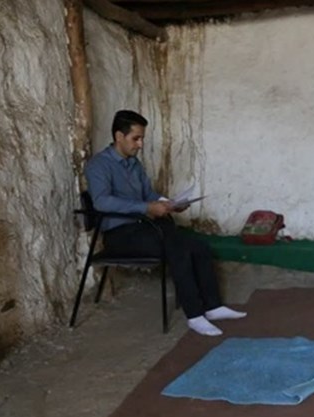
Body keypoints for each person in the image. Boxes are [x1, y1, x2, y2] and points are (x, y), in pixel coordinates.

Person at [85, 110, 246, 337]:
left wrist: (168, 203)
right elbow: (101, 201)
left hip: (143, 227)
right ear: (119, 136)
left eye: (142, 138)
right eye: (136, 138)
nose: (140, 144)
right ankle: (195, 316)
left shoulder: (133, 163)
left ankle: (213, 306)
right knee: (177, 248)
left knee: (198, 246)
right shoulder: (98, 166)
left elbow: (148, 193)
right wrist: (146, 208)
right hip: (119, 235)